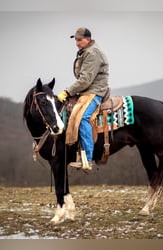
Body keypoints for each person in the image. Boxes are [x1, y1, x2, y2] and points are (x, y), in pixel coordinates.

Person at [57, 27, 109, 170]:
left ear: (88, 39)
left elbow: (85, 80)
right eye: (75, 40)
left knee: (83, 117)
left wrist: (67, 91)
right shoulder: (85, 52)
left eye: (79, 40)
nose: (77, 43)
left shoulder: (93, 53)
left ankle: (88, 159)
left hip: (95, 91)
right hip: (87, 91)